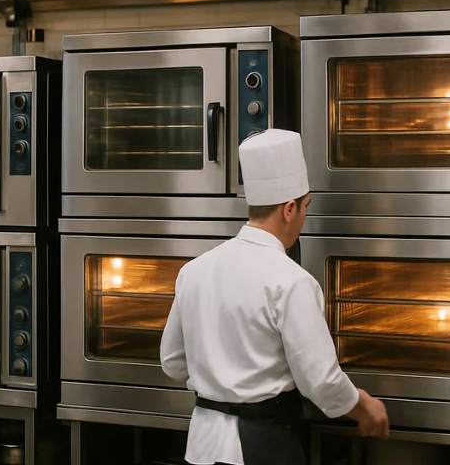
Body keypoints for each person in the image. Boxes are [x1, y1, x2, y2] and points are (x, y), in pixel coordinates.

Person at [160, 129, 389, 465]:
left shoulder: (194, 271)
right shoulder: (292, 282)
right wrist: (364, 405)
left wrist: (220, 377)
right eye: (306, 207)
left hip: (201, 446)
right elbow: (321, 381)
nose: (304, 217)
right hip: (262, 446)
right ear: (289, 208)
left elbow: (172, 362)